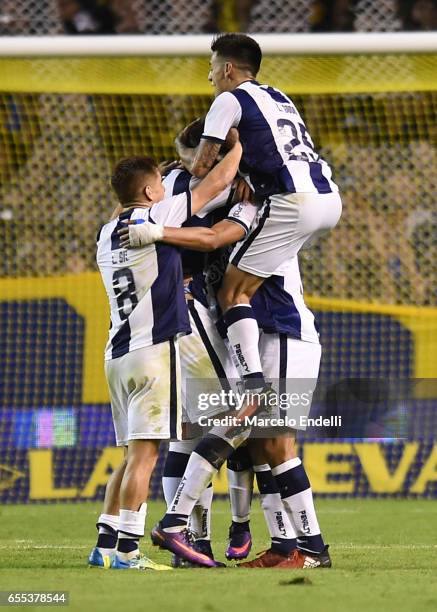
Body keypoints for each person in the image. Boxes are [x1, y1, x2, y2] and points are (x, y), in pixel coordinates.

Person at [88, 137, 242, 570]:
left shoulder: (105, 232)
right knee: (146, 455)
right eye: (160, 184)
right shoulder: (157, 215)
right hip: (154, 352)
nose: (165, 190)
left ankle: (105, 542)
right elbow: (217, 183)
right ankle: (128, 551)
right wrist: (239, 140)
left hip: (116, 354)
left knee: (131, 453)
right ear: (150, 192)